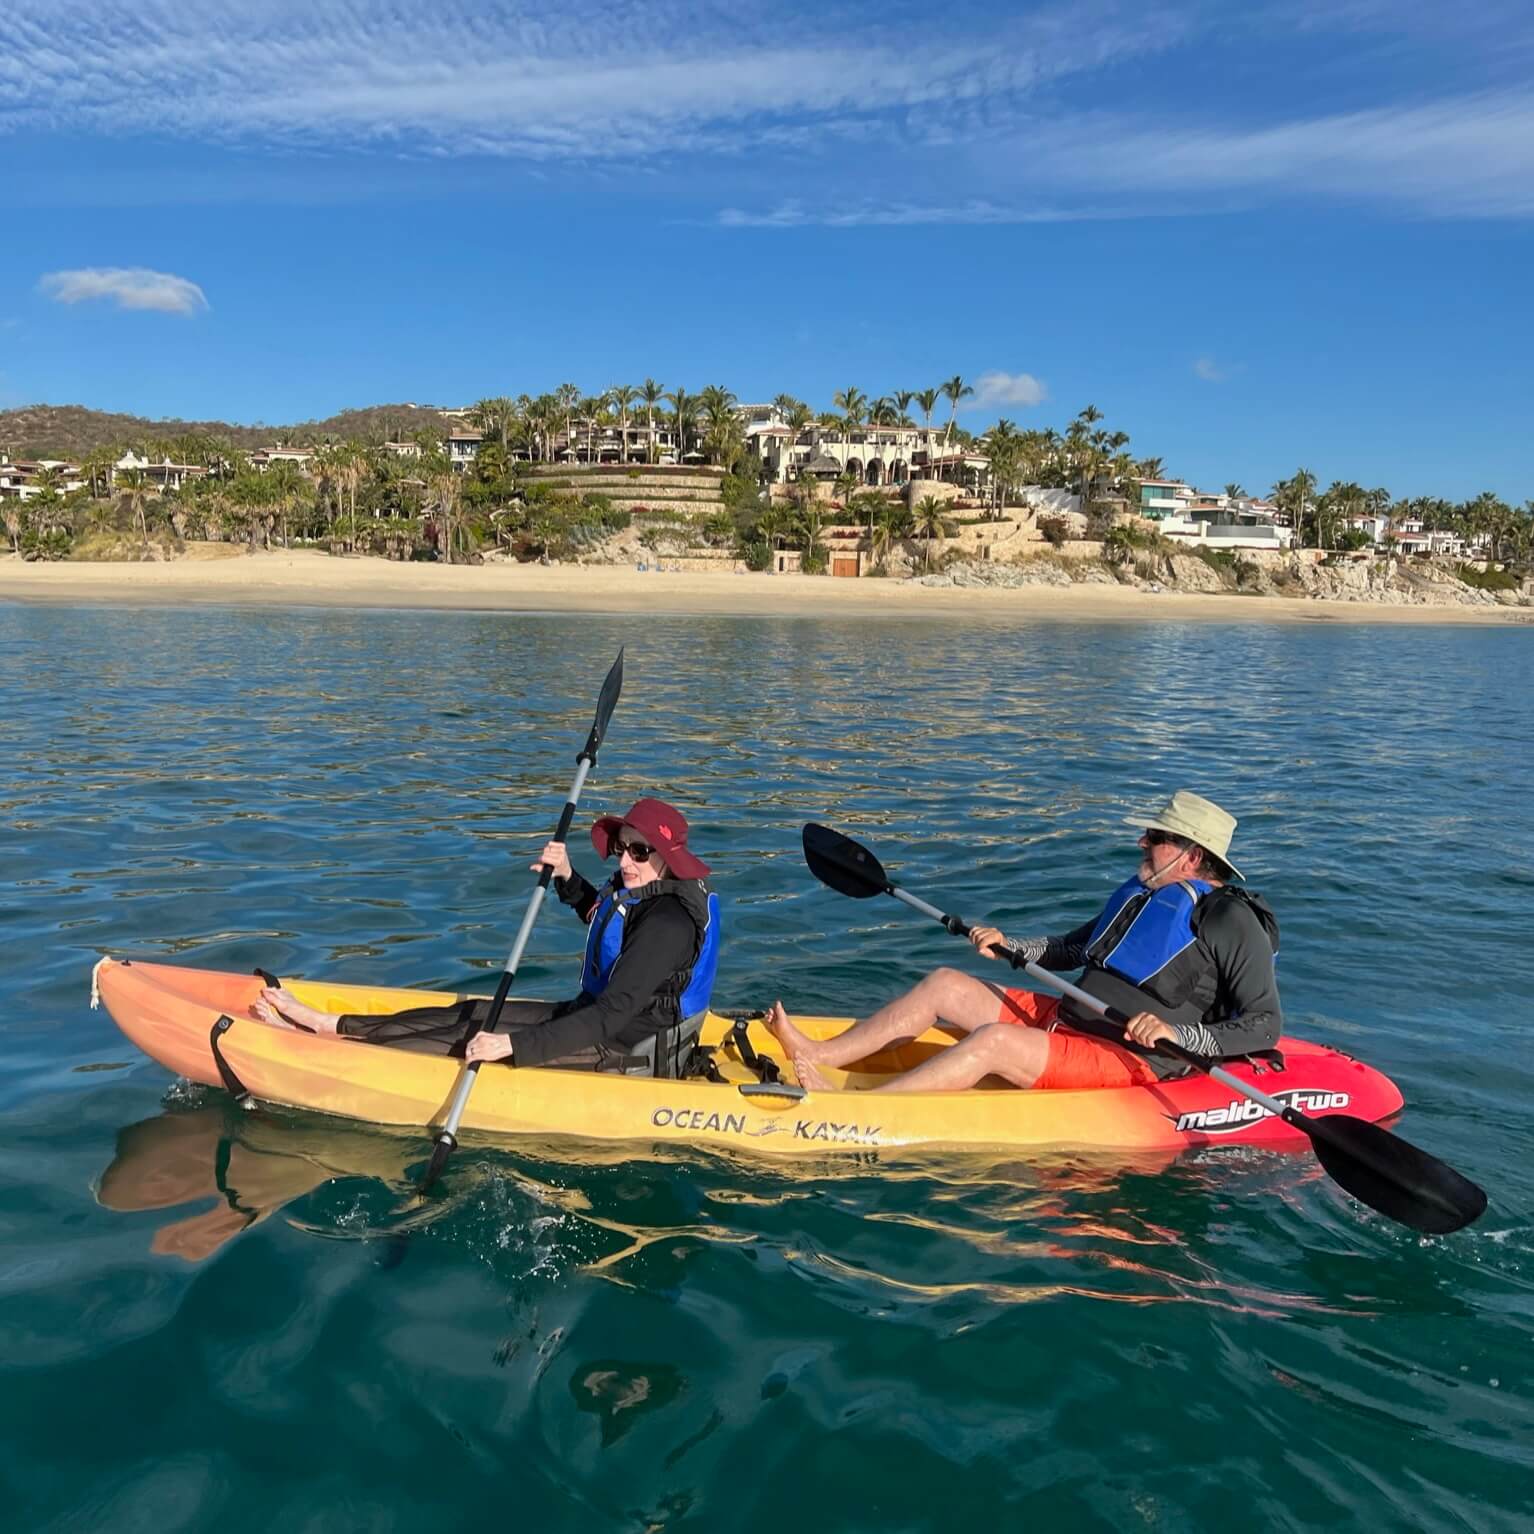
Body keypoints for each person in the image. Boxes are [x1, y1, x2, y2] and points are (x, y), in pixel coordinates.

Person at [767, 790, 1279, 1094]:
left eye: (1155, 835)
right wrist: (1013, 946)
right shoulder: (1145, 891)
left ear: (1190, 857)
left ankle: (863, 1106)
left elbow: (1264, 1024)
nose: (1143, 841)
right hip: (1067, 1016)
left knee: (992, 1042)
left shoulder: (1231, 918)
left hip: (1128, 1056)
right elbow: (1077, 948)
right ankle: (822, 1054)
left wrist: (1177, 1034)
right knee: (946, 983)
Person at [253, 797, 722, 1078]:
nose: (624, 861)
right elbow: (605, 923)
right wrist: (566, 877)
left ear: (667, 856)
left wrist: (513, 1047)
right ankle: (329, 1027)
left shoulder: (668, 924)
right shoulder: (641, 892)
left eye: (639, 851)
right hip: (593, 1018)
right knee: (473, 1013)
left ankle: (325, 1057)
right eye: (621, 848)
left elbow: (611, 1014)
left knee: (470, 1042)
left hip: (622, 1048)